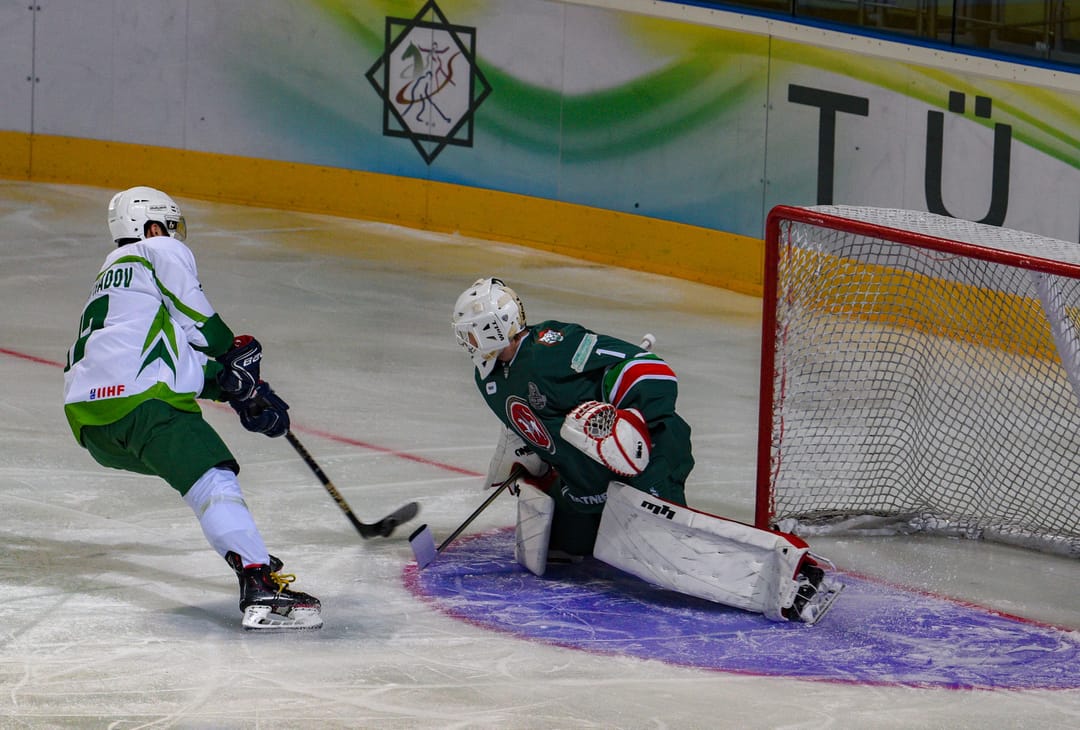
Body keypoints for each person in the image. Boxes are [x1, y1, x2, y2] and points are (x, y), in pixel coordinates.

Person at [451, 277, 843, 624]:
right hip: (589, 480)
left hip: (649, 454)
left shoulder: (550, 348)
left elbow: (650, 370)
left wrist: (631, 421)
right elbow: (525, 424)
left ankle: (796, 576)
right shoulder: (488, 377)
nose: (465, 343)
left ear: (492, 329)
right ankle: (594, 514)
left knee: (669, 545)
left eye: (470, 333)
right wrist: (526, 464)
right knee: (565, 544)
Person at [62, 186, 321, 631]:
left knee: (194, 472)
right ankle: (257, 580)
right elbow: (199, 320)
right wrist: (232, 354)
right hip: (144, 409)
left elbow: (163, 356)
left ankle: (237, 539)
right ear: (152, 226)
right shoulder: (158, 250)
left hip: (94, 427)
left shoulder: (114, 279)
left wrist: (233, 387)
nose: (176, 236)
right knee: (212, 479)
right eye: (171, 227)